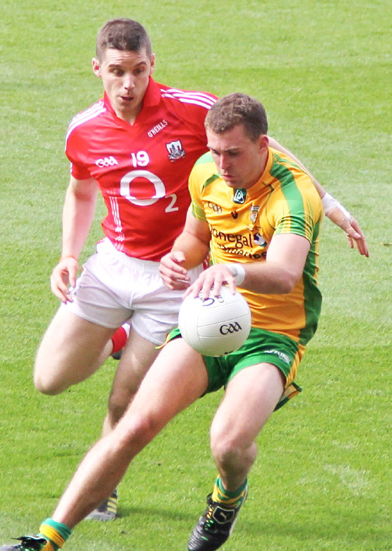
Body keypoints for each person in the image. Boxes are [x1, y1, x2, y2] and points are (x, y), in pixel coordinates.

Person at [28, 17, 367, 523]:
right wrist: (68, 254)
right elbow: (81, 190)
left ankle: (104, 492)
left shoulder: (192, 110)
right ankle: (117, 337)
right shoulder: (83, 130)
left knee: (127, 399)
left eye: (138, 71)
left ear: (151, 66)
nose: (128, 84)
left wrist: (333, 206)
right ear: (97, 68)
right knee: (49, 379)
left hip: (178, 278)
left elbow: (270, 152)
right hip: (113, 265)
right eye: (117, 72)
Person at [0, 92, 340, 551]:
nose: (221, 163)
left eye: (233, 154)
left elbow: (284, 274)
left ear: (263, 146)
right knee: (135, 424)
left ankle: (228, 495)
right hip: (206, 319)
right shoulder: (207, 172)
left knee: (228, 445)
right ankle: (45, 541)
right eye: (214, 151)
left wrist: (233, 273)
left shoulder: (293, 194)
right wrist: (178, 258)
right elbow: (195, 236)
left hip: (271, 337)